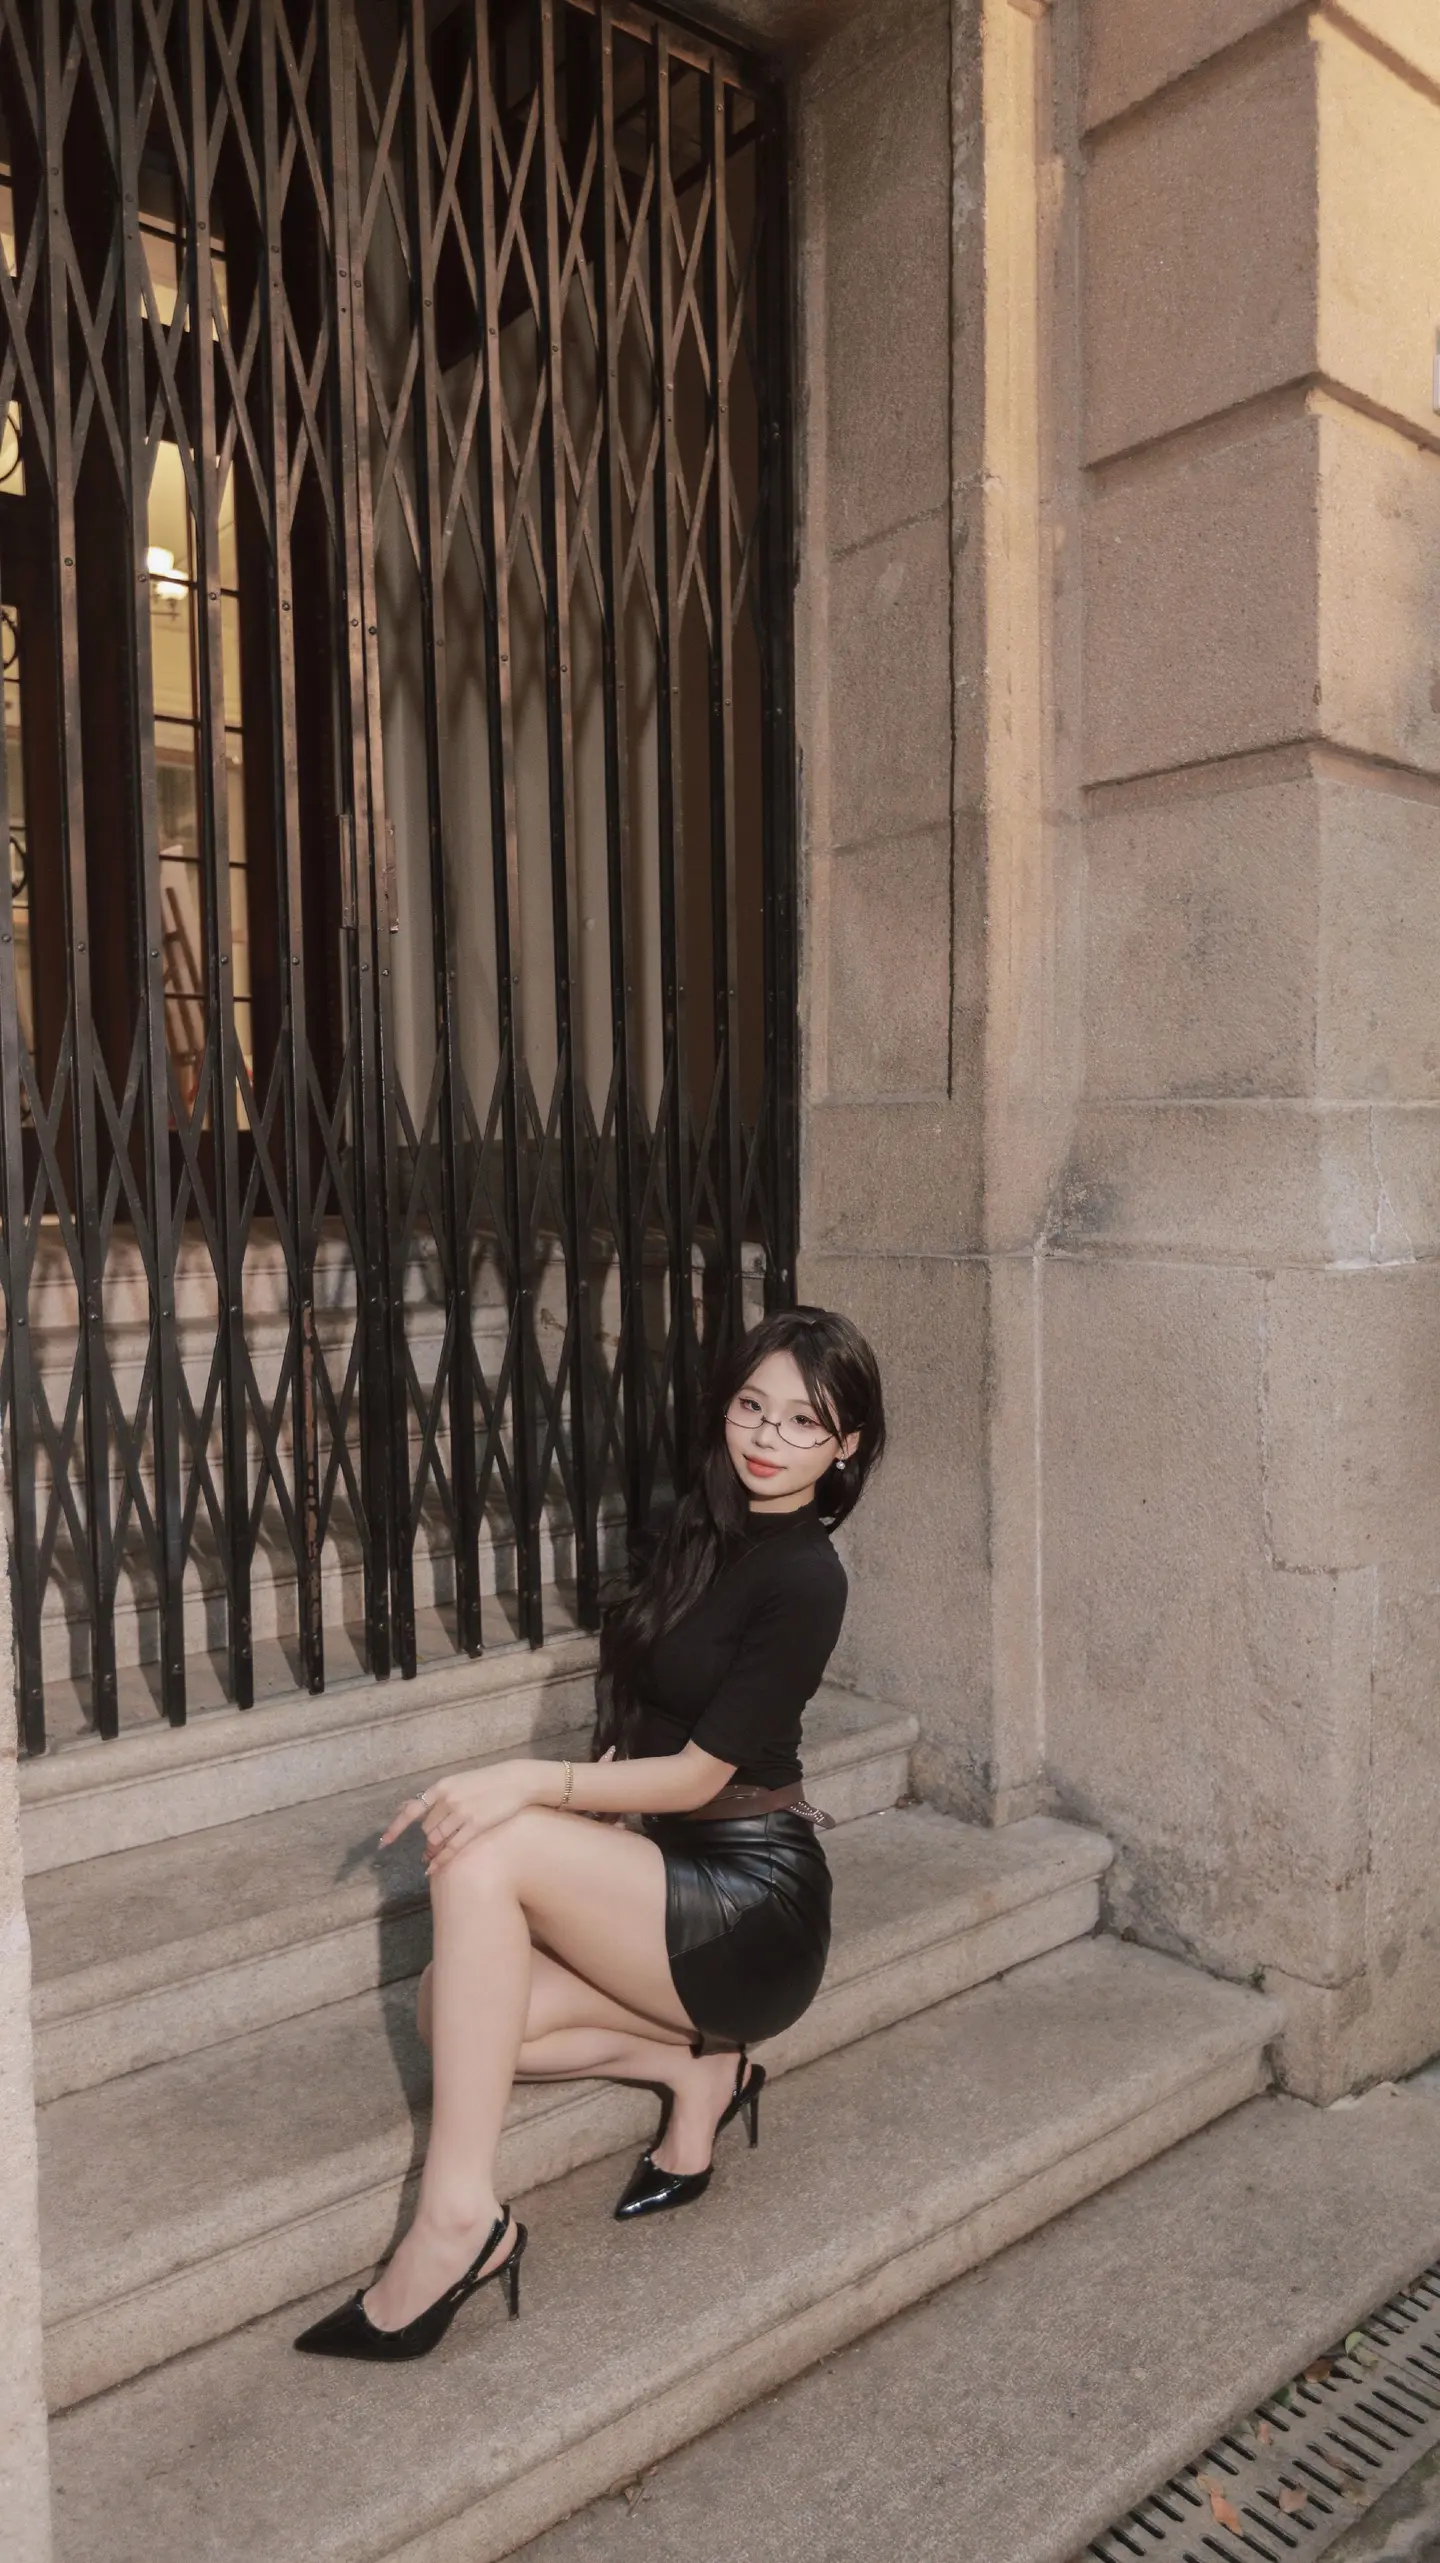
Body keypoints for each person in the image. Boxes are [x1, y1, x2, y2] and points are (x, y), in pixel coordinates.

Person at [294, 1304, 886, 2362]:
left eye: (804, 1422)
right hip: (665, 1868)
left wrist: (533, 1784)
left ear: (845, 1445)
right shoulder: (694, 1526)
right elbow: (648, 1708)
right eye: (752, 1405)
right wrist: (595, 1795)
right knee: (448, 2009)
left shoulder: (807, 1575)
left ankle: (457, 2222)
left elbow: (702, 1773)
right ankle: (697, 2070)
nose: (767, 1436)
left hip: (752, 1907)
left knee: (489, 1842)